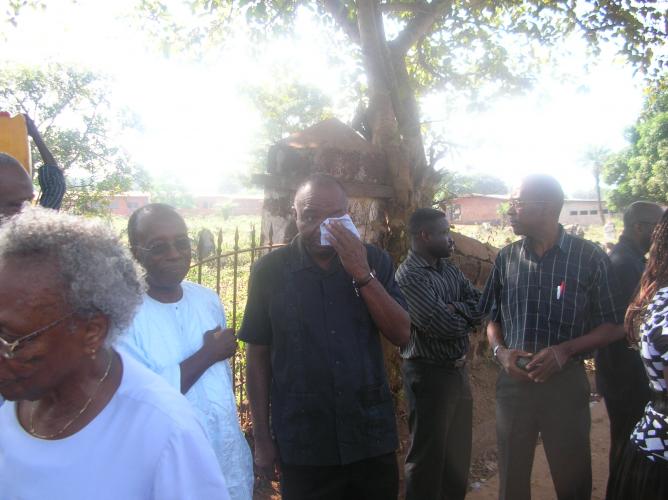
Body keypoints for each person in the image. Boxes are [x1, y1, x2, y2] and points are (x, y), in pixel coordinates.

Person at [0, 207, 229, 500]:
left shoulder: (164, 430)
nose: (174, 254)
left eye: (12, 339)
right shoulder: (10, 410)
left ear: (93, 332)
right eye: (159, 246)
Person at [239, 173, 410, 500]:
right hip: (304, 443)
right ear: (295, 215)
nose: (322, 226)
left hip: (369, 437)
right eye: (310, 216)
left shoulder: (374, 260)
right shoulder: (269, 272)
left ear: (348, 215)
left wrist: (362, 273)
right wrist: (262, 438)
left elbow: (402, 333)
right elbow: (257, 355)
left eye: (334, 216)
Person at [479, 174, 624, 500]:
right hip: (513, 386)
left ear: (545, 208)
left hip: (565, 387)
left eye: (517, 203)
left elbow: (614, 325)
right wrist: (501, 353)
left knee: (573, 482)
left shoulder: (589, 258)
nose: (509, 210)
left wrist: (564, 351)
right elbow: (492, 318)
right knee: (511, 483)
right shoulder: (507, 258)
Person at [117, 203, 253, 500]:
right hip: (170, 466)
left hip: (226, 456)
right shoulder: (123, 316)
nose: (174, 254)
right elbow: (138, 403)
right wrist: (208, 355)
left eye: (181, 242)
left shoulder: (206, 299)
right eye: (158, 247)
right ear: (135, 252)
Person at [396, 208, 484, 500]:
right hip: (428, 375)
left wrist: (455, 308)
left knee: (457, 456)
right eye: (445, 233)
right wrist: (466, 316)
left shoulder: (447, 268)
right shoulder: (410, 276)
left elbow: (482, 303)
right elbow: (442, 326)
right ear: (425, 235)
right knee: (427, 459)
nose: (450, 239)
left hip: (457, 371)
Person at [595, 201, 665, 477]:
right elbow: (619, 323)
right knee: (625, 446)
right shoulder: (624, 264)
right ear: (640, 228)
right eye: (659, 228)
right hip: (623, 374)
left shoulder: (633, 260)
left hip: (625, 373)